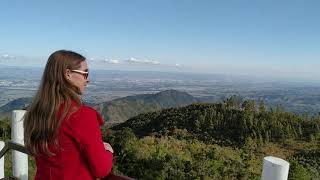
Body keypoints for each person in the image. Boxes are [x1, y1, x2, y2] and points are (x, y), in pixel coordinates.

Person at [24, 50, 113, 179]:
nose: (87, 80)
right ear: (68, 74)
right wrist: (107, 152)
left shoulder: (36, 112)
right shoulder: (81, 115)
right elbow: (102, 169)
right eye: (85, 73)